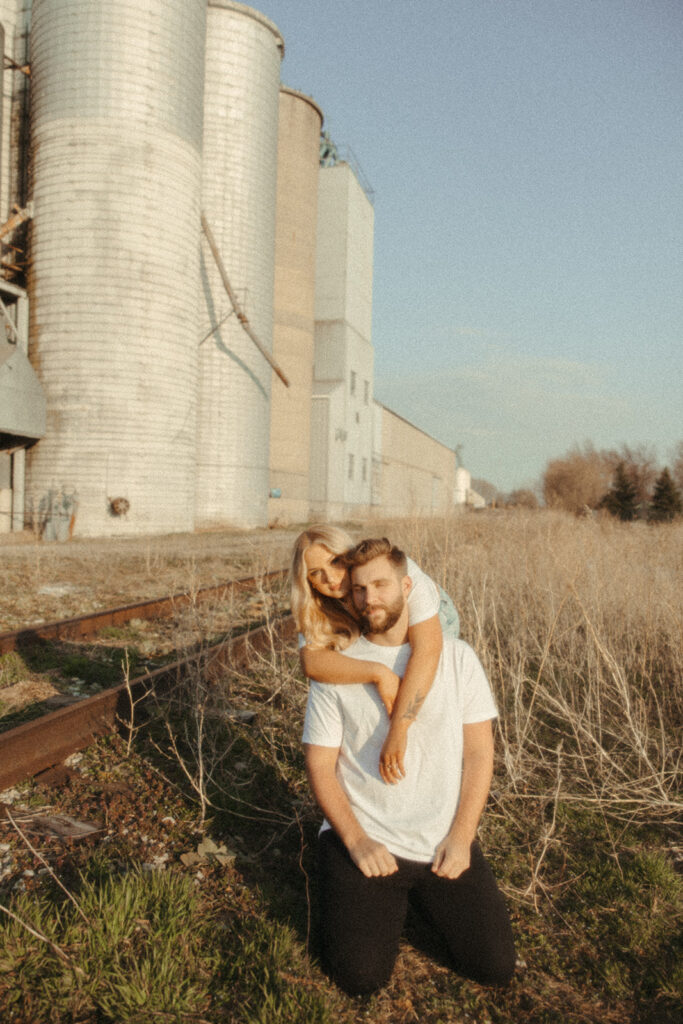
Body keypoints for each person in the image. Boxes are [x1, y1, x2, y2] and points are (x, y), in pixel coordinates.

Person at [302, 537, 515, 996]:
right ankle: (355, 884)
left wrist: (461, 837)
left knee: (495, 967)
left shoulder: (458, 658)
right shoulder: (335, 666)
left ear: (408, 586)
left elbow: (479, 754)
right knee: (359, 978)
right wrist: (356, 842)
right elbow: (319, 765)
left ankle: (417, 899)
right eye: (358, 589)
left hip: (439, 841)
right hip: (366, 838)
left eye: (380, 585)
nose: (368, 597)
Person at [291, 525, 460, 783]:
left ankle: (432, 769)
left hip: (436, 626)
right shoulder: (312, 602)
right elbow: (312, 663)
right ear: (308, 580)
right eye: (316, 573)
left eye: (335, 562)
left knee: (422, 692)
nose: (330, 578)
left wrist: (399, 729)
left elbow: (427, 651)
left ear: (346, 554)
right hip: (368, 625)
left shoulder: (392, 572)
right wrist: (378, 673)